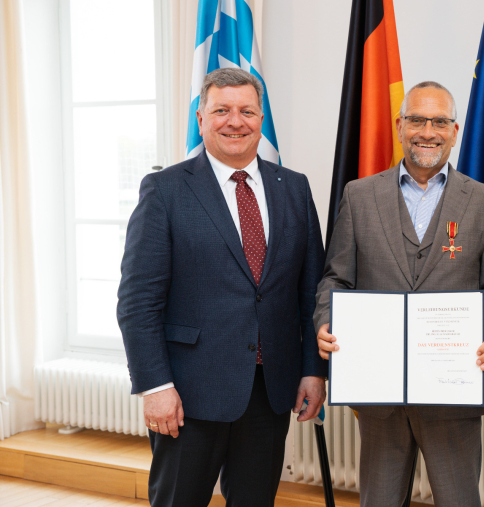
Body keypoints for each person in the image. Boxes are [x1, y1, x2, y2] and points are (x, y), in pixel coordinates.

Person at [117, 68, 327, 507]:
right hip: (189, 394)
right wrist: (155, 387)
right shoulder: (165, 190)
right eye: (222, 110)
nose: (236, 121)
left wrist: (312, 370)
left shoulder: (294, 188)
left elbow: (310, 293)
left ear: (261, 117)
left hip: (270, 391)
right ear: (201, 118)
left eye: (247, 111)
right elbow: (138, 302)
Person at [314, 81, 484, 507]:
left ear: (455, 129)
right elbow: (336, 279)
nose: (428, 131)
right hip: (380, 399)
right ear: (399, 126)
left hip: (452, 396)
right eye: (417, 120)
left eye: (439, 121)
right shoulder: (359, 195)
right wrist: (325, 323)